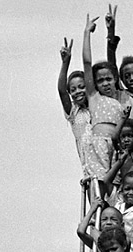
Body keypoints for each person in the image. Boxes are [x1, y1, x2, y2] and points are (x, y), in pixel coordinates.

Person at [80, 14, 125, 191]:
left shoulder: (121, 99)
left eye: (109, 79)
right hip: (98, 143)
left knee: (114, 187)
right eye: (101, 80)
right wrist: (87, 33)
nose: (105, 83)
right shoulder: (94, 97)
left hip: (115, 145)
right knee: (98, 186)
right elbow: (86, 62)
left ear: (115, 79)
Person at [57, 36, 90, 169]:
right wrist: (65, 62)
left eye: (82, 87)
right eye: (73, 90)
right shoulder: (73, 112)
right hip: (88, 165)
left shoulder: (97, 105)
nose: (78, 91)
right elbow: (61, 90)